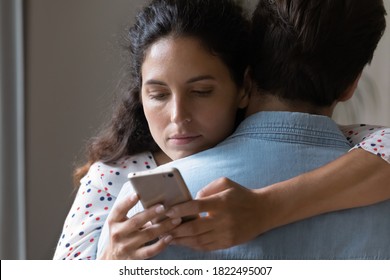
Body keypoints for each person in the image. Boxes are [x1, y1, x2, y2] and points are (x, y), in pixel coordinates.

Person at [53, 0, 389, 260]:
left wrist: (265, 208)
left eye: (202, 92)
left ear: (244, 85)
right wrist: (109, 262)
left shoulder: (361, 152)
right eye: (157, 94)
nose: (178, 116)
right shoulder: (115, 182)